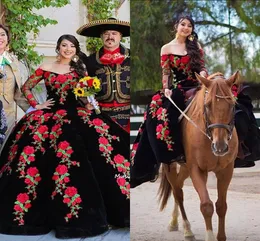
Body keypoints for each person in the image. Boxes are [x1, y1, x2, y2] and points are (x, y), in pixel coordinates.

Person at [0, 34, 130, 238]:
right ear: (58, 48)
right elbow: (26, 87)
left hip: (76, 113)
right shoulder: (46, 68)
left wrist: (88, 103)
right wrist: (37, 105)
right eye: (64, 45)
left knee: (99, 151)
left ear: (76, 49)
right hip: (50, 115)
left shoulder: (79, 70)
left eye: (71, 46)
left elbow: (85, 95)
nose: (67, 49)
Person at [130, 15, 260, 188]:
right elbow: (166, 72)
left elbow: (202, 67)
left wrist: (205, 76)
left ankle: (242, 149)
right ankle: (171, 153)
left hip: (200, 84)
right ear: (176, 26)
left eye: (189, 25)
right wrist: (166, 87)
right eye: (183, 24)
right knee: (157, 110)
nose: (186, 28)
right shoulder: (166, 48)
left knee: (237, 101)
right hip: (178, 88)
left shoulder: (195, 46)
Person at [76, 18, 130, 132]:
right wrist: (86, 103)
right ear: (101, 37)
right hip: (101, 115)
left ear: (120, 36)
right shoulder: (90, 61)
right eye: (106, 34)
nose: (110, 37)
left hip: (129, 114)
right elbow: (82, 87)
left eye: (114, 33)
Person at [0, 24, 30, 133]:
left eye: (3, 34)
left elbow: (18, 92)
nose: (0, 38)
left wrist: (33, 109)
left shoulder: (13, 61)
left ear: (7, 39)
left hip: (8, 116)